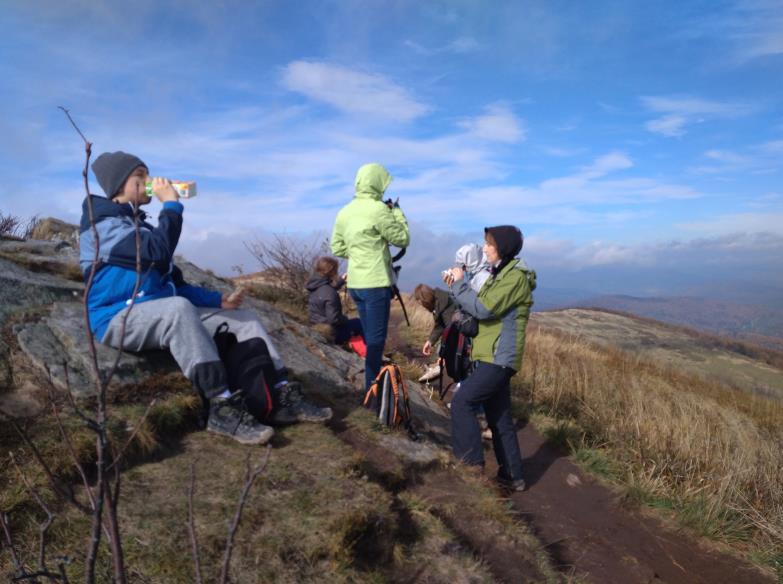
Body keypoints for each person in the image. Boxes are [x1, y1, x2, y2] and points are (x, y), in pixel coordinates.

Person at [79, 151, 331, 446]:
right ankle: (221, 405)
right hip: (114, 318)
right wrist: (170, 205)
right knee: (177, 309)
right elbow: (157, 253)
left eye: (148, 175)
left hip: (160, 311)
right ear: (120, 185)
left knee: (245, 320)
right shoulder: (101, 229)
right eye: (141, 177)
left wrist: (217, 300)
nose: (149, 182)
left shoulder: (142, 228)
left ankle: (281, 392)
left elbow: (174, 285)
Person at [443, 225, 535, 491]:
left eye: (490, 244)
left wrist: (460, 283)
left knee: (462, 402)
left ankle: (470, 467)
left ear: (503, 248)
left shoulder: (514, 277)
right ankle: (512, 476)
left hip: (499, 356)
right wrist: (457, 285)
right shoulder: (500, 274)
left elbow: (483, 308)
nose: (485, 249)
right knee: (500, 417)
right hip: (490, 353)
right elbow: (475, 304)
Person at [330, 163, 409, 390]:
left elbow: (337, 247)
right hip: (375, 284)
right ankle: (372, 390)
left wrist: (358, 252)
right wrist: (396, 211)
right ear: (378, 184)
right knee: (375, 342)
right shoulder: (379, 209)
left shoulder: (344, 211)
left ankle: (371, 385)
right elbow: (402, 238)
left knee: (369, 335)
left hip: (355, 284)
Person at [306, 256, 366, 357]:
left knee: (355, 323)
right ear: (331, 271)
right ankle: (366, 353)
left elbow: (326, 290)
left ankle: (358, 348)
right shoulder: (330, 293)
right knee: (360, 323)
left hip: (315, 324)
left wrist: (342, 280)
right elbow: (333, 319)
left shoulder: (314, 285)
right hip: (331, 331)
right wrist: (345, 319)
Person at [412, 283, 456, 382]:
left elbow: (453, 331)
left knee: (444, 349)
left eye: (420, 302)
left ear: (424, 299)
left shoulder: (445, 303)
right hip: (454, 338)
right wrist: (430, 341)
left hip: (463, 342)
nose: (421, 306)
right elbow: (440, 325)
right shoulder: (438, 303)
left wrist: (443, 355)